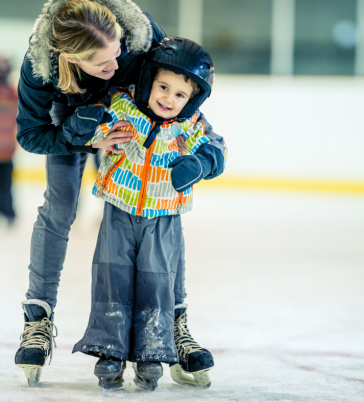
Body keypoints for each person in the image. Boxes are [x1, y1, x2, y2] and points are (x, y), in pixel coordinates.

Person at [14, 0, 226, 387]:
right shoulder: (39, 66)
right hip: (74, 122)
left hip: (133, 113)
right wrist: (87, 138)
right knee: (59, 208)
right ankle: (38, 320)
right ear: (69, 58)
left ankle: (175, 324)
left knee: (161, 211)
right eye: (103, 65)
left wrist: (205, 154)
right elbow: (30, 134)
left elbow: (184, 98)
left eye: (118, 55)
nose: (114, 67)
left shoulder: (140, 35)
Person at [62, 37, 225, 391]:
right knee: (112, 280)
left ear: (191, 99)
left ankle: (153, 350)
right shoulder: (124, 108)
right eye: (163, 87)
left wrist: (200, 163)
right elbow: (92, 129)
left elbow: (217, 149)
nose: (168, 98)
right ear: (150, 81)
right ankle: (110, 349)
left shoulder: (190, 125)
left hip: (163, 219)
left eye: (179, 94)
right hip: (118, 211)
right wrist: (83, 123)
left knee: (155, 283)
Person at [0, 57, 17, 226]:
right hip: (7, 148)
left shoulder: (12, 93)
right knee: (6, 184)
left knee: (6, 184)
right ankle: (9, 212)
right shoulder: (11, 92)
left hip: (6, 148)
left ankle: (9, 212)